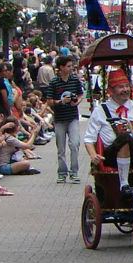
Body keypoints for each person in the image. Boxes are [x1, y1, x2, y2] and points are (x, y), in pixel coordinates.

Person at [83, 69, 133, 198]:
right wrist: (93, 155)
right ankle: (124, 184)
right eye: (120, 87)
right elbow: (89, 138)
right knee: (124, 138)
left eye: (126, 86)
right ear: (110, 91)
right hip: (111, 154)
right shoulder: (101, 110)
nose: (125, 90)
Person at [44, 55, 83, 183]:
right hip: (60, 118)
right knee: (61, 148)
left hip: (72, 117)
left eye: (71, 66)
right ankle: (62, 172)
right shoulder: (54, 82)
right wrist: (61, 101)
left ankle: (74, 171)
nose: (71, 68)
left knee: (75, 144)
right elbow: (49, 101)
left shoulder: (74, 79)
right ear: (61, 67)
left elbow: (81, 94)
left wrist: (76, 102)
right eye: (68, 66)